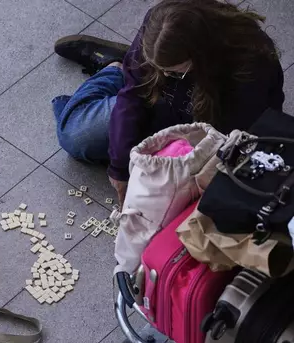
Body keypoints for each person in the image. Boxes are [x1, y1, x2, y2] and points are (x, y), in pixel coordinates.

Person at [52, 0, 285, 203]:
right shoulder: (159, 25)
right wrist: (120, 168)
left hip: (214, 126)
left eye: (173, 72)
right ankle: (115, 68)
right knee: (76, 137)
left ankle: (124, 68)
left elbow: (230, 141)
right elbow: (134, 95)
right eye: (158, 68)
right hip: (161, 103)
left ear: (200, 57)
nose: (163, 75)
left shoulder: (249, 68)